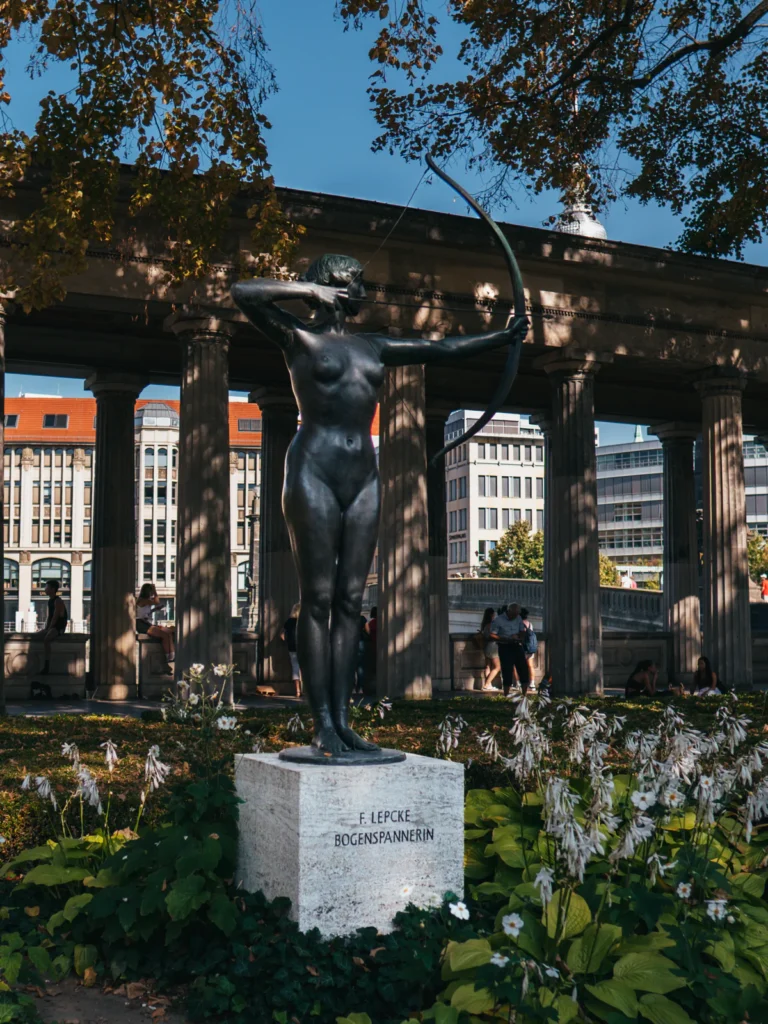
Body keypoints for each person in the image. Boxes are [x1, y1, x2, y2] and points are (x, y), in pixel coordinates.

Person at [232, 257, 527, 753]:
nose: (356, 289)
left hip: (363, 475)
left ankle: (344, 720)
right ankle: (322, 720)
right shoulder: (299, 339)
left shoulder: (372, 346)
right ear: (325, 286)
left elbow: (442, 349)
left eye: (359, 282)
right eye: (346, 282)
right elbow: (243, 291)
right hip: (314, 470)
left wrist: (502, 337)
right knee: (319, 598)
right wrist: (303, 289)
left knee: (351, 602)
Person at [489, 602, 530, 696]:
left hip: (517, 645)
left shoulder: (518, 618)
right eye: (513, 614)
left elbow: (522, 630)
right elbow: (492, 635)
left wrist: (520, 636)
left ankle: (524, 694)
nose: (515, 616)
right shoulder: (498, 620)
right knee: (507, 670)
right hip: (505, 646)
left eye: (516, 614)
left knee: (523, 669)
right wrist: (506, 639)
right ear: (509, 611)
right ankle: (506, 694)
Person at [136, 584, 175, 665]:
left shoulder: (145, 601)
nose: (152, 594)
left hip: (146, 623)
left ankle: (172, 655)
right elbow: (157, 601)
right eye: (151, 592)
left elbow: (145, 613)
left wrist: (155, 609)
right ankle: (168, 657)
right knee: (164, 635)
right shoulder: (143, 600)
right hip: (142, 624)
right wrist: (154, 589)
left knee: (169, 632)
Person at [37, 579, 68, 675]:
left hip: (59, 627)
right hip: (54, 626)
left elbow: (55, 616)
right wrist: (46, 628)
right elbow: (50, 617)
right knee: (40, 635)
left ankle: (47, 666)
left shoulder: (58, 601)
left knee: (46, 639)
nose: (45, 589)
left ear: (52, 589)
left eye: (46, 587)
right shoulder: (50, 600)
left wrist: (49, 629)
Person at [281, 602, 302, 698]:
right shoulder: (304, 621)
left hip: (292, 647)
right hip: (304, 648)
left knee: (295, 668)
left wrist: (288, 640)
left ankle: (297, 691)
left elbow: (282, 635)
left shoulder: (289, 621)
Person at [479, 607, 501, 691]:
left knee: (488, 666)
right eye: (494, 614)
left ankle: (488, 685)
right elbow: (493, 635)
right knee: (497, 667)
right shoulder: (492, 625)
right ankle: (486, 684)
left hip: (487, 647)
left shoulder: (484, 624)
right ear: (491, 615)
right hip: (493, 647)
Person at [520, 607, 538, 686]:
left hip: (522, 647)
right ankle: (532, 683)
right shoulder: (530, 624)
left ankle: (521, 683)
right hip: (530, 647)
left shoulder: (519, 624)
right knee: (530, 666)